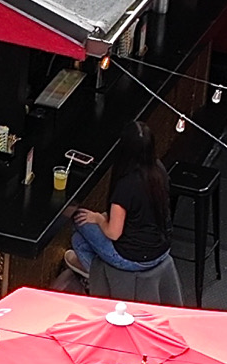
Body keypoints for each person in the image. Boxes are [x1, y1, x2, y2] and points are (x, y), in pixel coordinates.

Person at [67, 119, 177, 299]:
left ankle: (95, 276)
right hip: (161, 250)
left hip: (132, 259)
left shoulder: (126, 185)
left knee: (79, 229)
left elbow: (113, 233)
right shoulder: (159, 170)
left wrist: (99, 218)